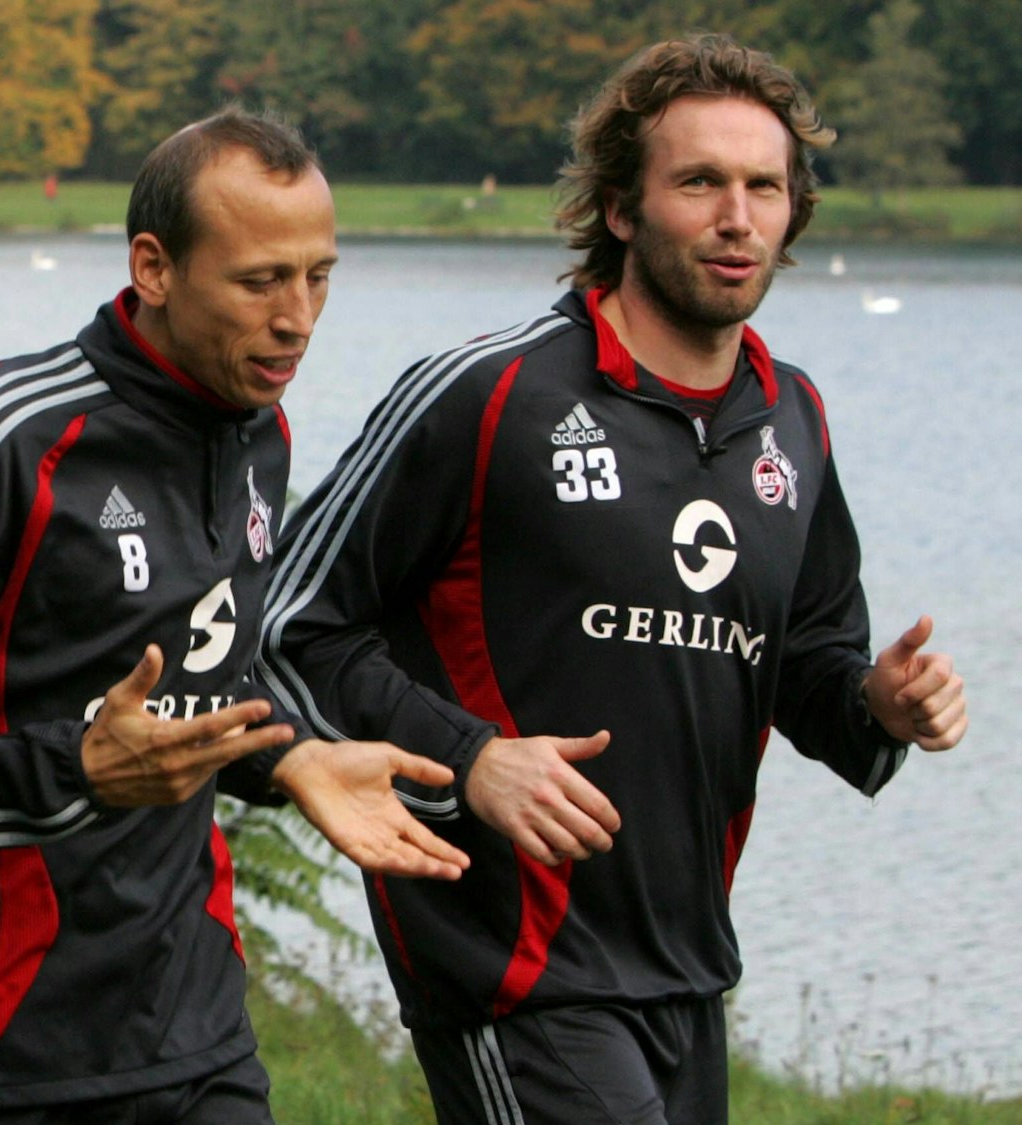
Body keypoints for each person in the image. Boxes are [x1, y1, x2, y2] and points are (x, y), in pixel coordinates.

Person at [259, 34, 968, 1124]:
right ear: (621, 210)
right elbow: (289, 626)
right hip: (514, 969)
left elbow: (806, 665)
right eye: (699, 182)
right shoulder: (488, 393)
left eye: (763, 187)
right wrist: (469, 760)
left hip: (685, 967)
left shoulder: (793, 419)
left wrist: (879, 702)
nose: (736, 217)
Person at [0, 109, 471, 1123]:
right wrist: (75, 774)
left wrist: (290, 754)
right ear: (154, 267)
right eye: (260, 280)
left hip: (192, 1033)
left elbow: (206, 677)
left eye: (319, 277)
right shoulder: (6, 436)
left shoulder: (259, 430)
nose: (298, 318)